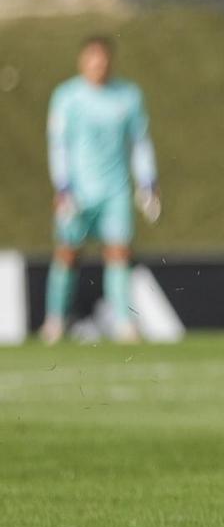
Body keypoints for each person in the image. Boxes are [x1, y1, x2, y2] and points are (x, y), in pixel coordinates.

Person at [43, 36, 160, 345]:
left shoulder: (128, 96)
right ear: (83, 61)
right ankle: (55, 319)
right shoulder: (68, 97)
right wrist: (63, 187)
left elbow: (140, 142)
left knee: (119, 253)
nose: (99, 65)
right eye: (93, 59)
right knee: (67, 253)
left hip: (115, 189)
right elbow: (59, 145)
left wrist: (148, 182)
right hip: (78, 191)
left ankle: (123, 322)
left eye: (104, 59)